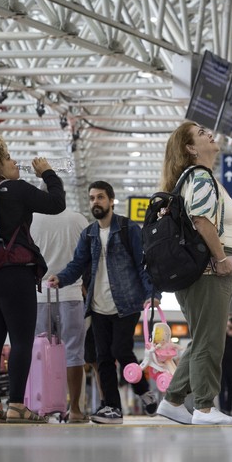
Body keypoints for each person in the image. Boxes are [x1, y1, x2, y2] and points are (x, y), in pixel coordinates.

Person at [0, 134, 66, 424]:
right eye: (8, 158)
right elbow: (57, 203)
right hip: (13, 273)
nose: (14, 162)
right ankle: (17, 405)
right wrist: (47, 172)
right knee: (21, 340)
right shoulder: (16, 189)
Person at [49, 181, 160, 425]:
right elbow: (77, 264)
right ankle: (112, 408)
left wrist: (152, 294)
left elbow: (143, 264)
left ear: (111, 201)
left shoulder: (127, 228)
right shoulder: (88, 233)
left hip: (127, 303)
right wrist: (62, 278)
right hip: (98, 306)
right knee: (103, 357)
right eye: (91, 198)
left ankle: (143, 391)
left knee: (120, 350)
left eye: (100, 197)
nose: (95, 202)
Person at [155, 122, 232, 426]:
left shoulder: (193, 179)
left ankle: (174, 400)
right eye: (201, 133)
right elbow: (202, 219)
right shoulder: (201, 176)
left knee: (205, 337)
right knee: (211, 340)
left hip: (205, 267)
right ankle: (205, 407)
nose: (209, 133)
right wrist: (221, 257)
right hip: (212, 266)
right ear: (191, 149)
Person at [30, 202, 90, 423]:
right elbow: (87, 258)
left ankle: (40, 408)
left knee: (39, 353)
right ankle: (74, 410)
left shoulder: (31, 220)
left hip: (38, 297)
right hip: (71, 295)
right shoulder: (79, 220)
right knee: (74, 352)